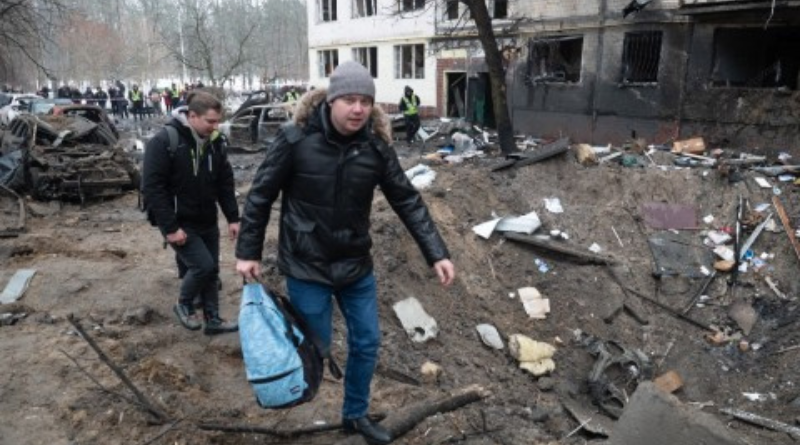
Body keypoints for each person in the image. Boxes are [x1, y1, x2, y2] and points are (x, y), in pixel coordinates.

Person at [234, 61, 455, 445]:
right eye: (350, 100)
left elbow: (407, 200)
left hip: (355, 265)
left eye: (366, 101)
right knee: (314, 345)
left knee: (367, 342)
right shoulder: (295, 140)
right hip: (307, 265)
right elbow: (260, 196)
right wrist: (248, 251)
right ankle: (288, 389)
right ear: (331, 101)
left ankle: (355, 414)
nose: (358, 109)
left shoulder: (375, 147)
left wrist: (437, 253)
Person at [142, 90, 241, 336]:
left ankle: (213, 320)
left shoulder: (216, 143)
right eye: (210, 121)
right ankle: (183, 304)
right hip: (179, 222)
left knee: (212, 271)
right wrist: (170, 228)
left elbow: (224, 183)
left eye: (218, 121)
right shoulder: (164, 141)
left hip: (207, 219)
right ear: (192, 116)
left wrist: (233, 217)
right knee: (203, 267)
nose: (215, 126)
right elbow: (152, 188)